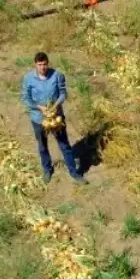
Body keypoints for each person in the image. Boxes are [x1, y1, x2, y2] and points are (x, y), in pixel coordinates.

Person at [21, 51, 86, 184]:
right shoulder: (28, 78)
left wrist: (56, 105)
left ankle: (74, 173)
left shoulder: (57, 75)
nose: (42, 67)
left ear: (48, 63)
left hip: (56, 118)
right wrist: (39, 107)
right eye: (39, 65)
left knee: (64, 145)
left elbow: (63, 93)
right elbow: (25, 98)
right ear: (35, 65)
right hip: (39, 118)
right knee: (42, 146)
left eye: (44, 64)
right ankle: (47, 170)